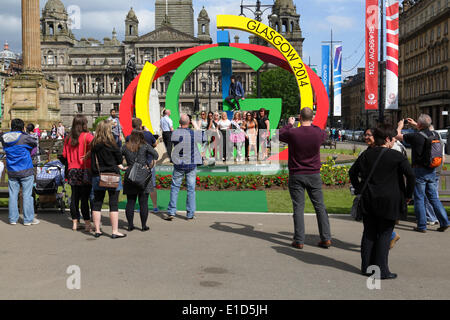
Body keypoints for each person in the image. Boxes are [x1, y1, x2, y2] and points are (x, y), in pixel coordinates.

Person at [350, 124, 415, 280]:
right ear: (387, 139)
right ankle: (381, 270)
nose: (394, 142)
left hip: (369, 198)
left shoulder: (366, 154)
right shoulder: (397, 156)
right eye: (393, 139)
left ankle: (367, 267)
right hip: (390, 199)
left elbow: (353, 172)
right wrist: (408, 195)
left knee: (369, 232)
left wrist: (359, 188)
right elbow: (411, 176)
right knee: (385, 234)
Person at [279, 108, 331, 249]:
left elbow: (279, 134)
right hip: (313, 173)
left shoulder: (293, 132)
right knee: (320, 206)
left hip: (297, 173)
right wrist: (312, 123)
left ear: (299, 117)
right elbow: (324, 133)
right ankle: (326, 238)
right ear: (312, 118)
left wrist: (290, 124)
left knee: (298, 207)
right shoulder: (318, 133)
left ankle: (299, 240)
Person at [396, 115, 449, 232]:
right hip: (432, 169)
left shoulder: (415, 136)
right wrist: (416, 124)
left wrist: (400, 126)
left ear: (420, 125)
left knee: (419, 198)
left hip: (419, 170)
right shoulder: (435, 134)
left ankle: (422, 226)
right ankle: (445, 222)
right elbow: (427, 128)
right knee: (433, 198)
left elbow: (397, 136)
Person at [361, 128, 401, 250]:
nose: (366, 137)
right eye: (365, 135)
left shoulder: (390, 150)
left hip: (386, 194)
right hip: (373, 193)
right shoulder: (369, 151)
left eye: (369, 135)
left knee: (378, 226)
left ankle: (389, 238)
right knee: (377, 224)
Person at [166, 114, 206, 220]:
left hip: (179, 163)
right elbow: (204, 139)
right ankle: (190, 213)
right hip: (191, 163)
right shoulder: (193, 133)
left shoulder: (175, 133)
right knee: (191, 189)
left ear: (179, 122)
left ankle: (171, 211)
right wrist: (196, 126)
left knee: (175, 187)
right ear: (189, 123)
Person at [90, 120, 126, 239]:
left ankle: (97, 230)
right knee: (113, 203)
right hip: (112, 175)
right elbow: (119, 160)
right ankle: (114, 231)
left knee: (97, 203)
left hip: (98, 175)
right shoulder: (112, 144)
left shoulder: (94, 144)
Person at [0, 119, 39, 226]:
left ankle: (13, 219)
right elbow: (34, 143)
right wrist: (24, 132)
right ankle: (28, 219)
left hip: (12, 170)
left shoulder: (4, 137)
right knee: (27, 195)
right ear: (22, 127)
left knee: (12, 195)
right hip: (26, 169)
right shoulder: (24, 137)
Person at [122, 129, 159, 232]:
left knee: (130, 201)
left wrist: (122, 166)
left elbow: (117, 157)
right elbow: (156, 155)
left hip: (130, 173)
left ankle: (130, 225)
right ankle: (143, 226)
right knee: (143, 202)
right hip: (143, 172)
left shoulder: (126, 147)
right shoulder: (145, 146)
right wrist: (148, 163)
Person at [63, 115, 94, 232]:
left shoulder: (68, 138)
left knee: (74, 197)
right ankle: (87, 224)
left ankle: (75, 223)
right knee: (85, 199)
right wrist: (88, 154)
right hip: (84, 168)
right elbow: (97, 146)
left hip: (72, 169)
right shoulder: (88, 136)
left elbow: (65, 155)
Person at [126, 118, 160, 214]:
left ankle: (141, 207)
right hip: (148, 163)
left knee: (137, 186)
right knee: (151, 186)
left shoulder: (129, 137)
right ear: (141, 125)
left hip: (135, 164)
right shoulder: (148, 135)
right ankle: (155, 207)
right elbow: (155, 144)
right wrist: (148, 132)